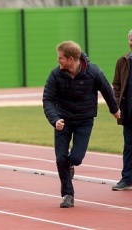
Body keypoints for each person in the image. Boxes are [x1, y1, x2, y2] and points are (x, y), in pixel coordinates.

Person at [43, 40, 121, 208]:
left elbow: (107, 91)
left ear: (71, 59)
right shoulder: (55, 74)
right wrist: (55, 119)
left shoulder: (93, 72)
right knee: (61, 158)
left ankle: (71, 165)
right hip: (62, 121)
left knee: (76, 158)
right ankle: (67, 195)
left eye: (61, 58)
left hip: (84, 120)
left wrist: (115, 111)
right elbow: (47, 100)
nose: (58, 61)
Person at [112, 29, 132, 191]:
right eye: (131, 39)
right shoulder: (122, 61)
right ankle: (127, 179)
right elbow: (116, 84)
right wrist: (118, 104)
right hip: (129, 112)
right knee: (129, 146)